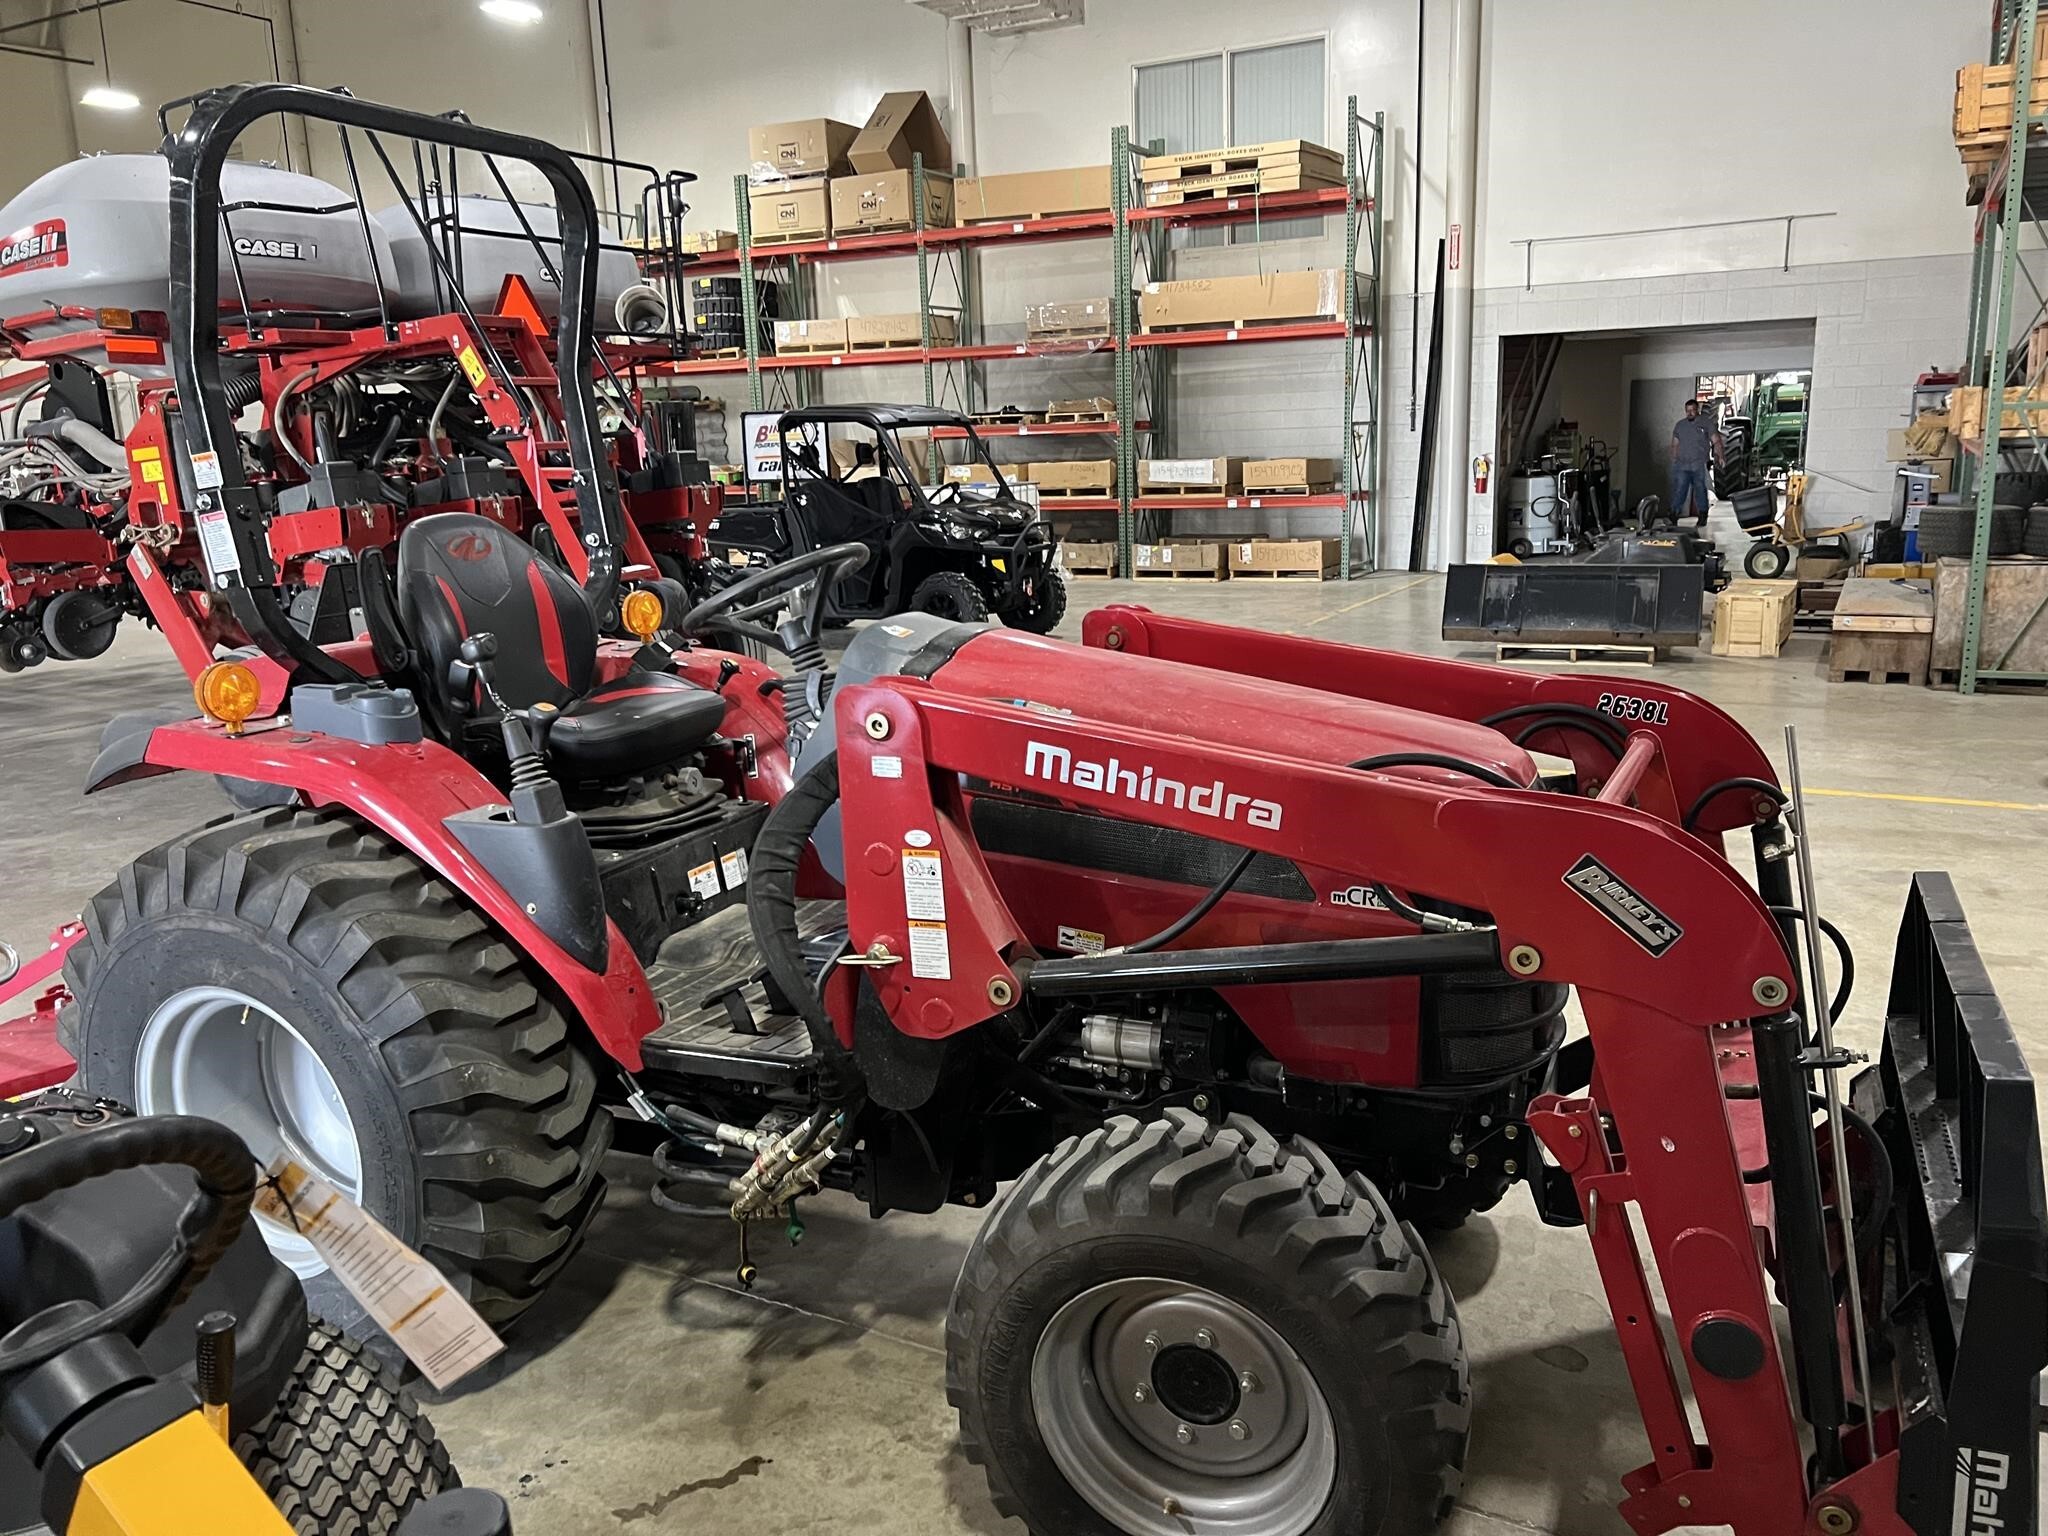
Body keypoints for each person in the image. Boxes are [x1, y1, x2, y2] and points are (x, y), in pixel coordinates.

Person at [1669, 399, 1722, 525]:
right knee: (1680, 490)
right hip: (1682, 464)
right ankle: (1673, 514)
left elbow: (1716, 440)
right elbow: (1675, 444)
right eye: (1688, 411)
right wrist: (1674, 459)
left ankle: (1703, 515)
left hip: (1699, 464)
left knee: (1700, 490)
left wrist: (1720, 456)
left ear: (1697, 410)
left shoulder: (1706, 423)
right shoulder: (1680, 425)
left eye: (1693, 410)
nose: (1690, 413)